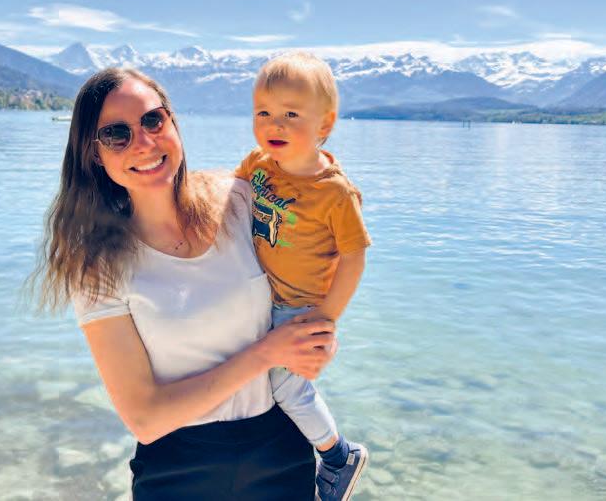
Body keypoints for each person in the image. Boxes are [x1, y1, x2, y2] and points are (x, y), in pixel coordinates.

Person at [32, 67, 338, 500]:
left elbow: (316, 257)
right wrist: (266, 354)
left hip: (282, 451)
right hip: (179, 469)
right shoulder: (98, 265)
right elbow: (145, 418)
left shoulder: (241, 200)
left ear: (173, 122)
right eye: (117, 134)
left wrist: (320, 331)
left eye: (153, 120)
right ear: (95, 154)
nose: (143, 141)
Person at [235, 52, 371, 501]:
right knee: (251, 376)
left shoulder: (334, 192)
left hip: (298, 308)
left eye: (291, 115)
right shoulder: (258, 165)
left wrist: (327, 317)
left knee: (286, 387)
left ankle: (337, 455)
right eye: (264, 113)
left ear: (324, 124)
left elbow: (354, 257)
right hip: (259, 297)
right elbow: (226, 196)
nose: (275, 125)